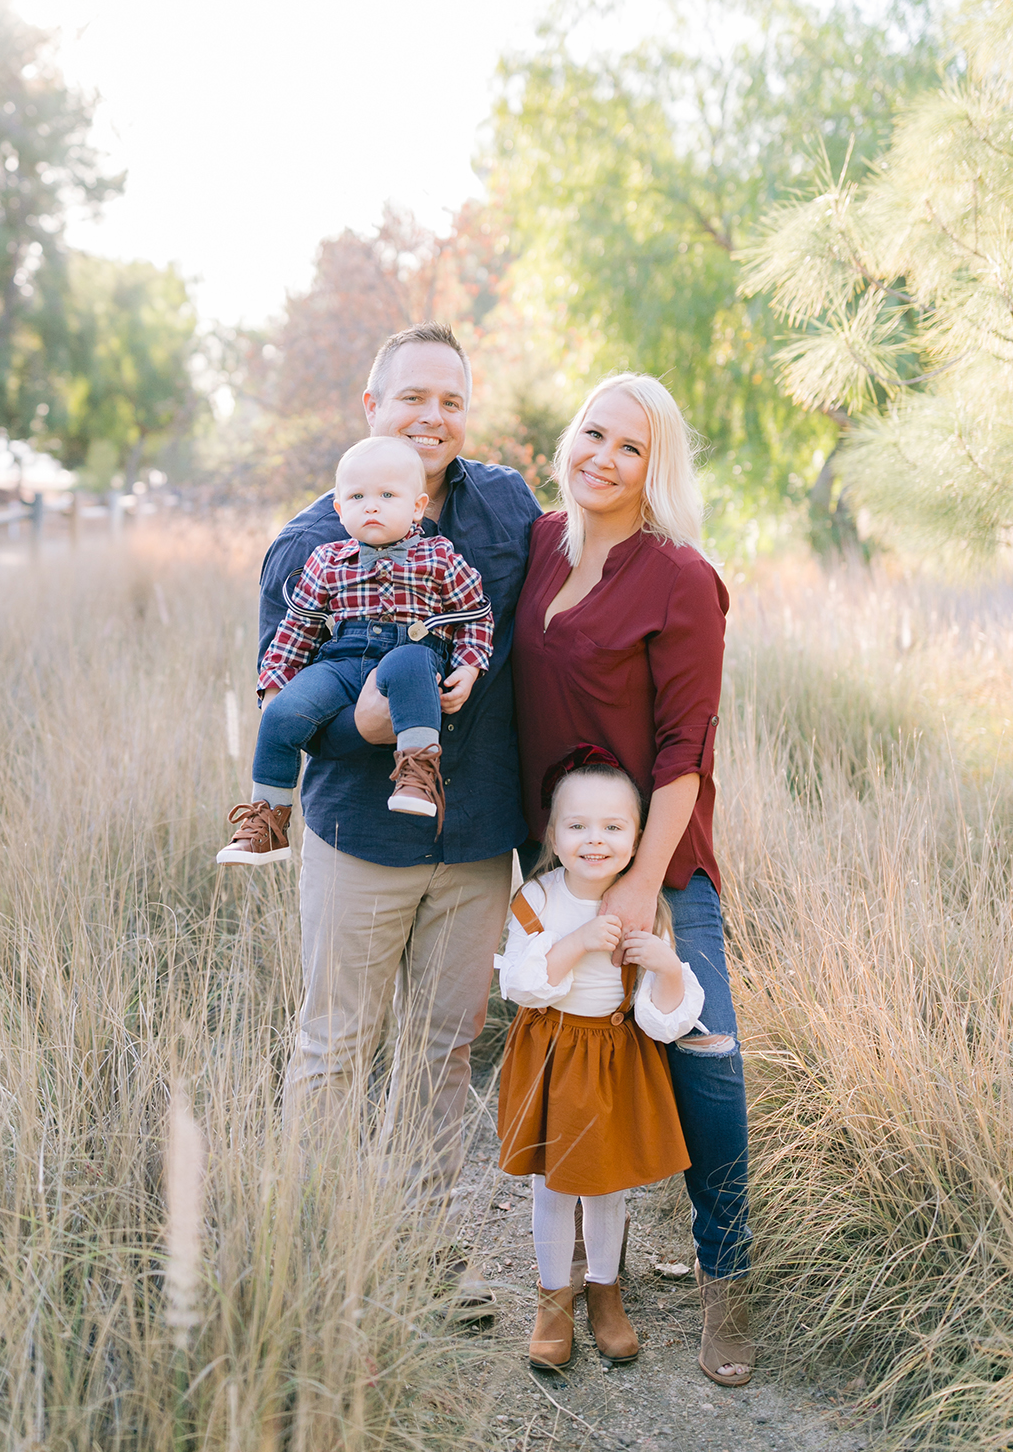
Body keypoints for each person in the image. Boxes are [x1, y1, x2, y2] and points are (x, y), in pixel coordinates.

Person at [260, 322, 542, 1311]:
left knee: (442, 1050)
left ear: (466, 415)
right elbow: (282, 704)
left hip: (473, 842)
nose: (432, 415)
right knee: (336, 1043)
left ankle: (429, 1256)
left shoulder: (507, 508)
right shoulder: (306, 542)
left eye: (451, 400)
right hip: (361, 840)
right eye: (412, 396)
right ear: (369, 406)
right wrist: (359, 726)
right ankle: (317, 1248)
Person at [511, 372, 756, 1385]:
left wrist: (638, 887)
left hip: (658, 862)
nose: (602, 459)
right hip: (560, 857)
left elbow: (682, 754)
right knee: (570, 1058)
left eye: (631, 448)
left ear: (657, 470)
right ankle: (571, 1276)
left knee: (703, 1059)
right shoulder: (534, 546)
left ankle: (724, 1281)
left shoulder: (679, 578)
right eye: (592, 434)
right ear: (567, 439)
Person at [496, 757, 705, 1371]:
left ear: (638, 838)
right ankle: (553, 1300)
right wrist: (581, 941)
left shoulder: (646, 905)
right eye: (577, 826)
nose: (594, 840)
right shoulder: (537, 898)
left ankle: (606, 1294)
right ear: (553, 834)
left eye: (613, 828)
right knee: (553, 1187)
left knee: (608, 1184)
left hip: (616, 1057)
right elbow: (522, 983)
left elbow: (660, 1017)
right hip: (554, 1054)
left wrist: (666, 967)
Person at [217, 436, 493, 864]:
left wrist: (470, 666)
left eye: (387, 495)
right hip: (343, 660)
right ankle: (268, 821)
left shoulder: (439, 556)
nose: (372, 506)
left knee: (407, 662)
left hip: (413, 651)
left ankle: (417, 773)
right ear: (340, 510)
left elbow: (474, 613)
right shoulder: (327, 560)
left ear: (417, 506)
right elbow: (297, 629)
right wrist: (276, 690)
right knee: (281, 715)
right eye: (358, 497)